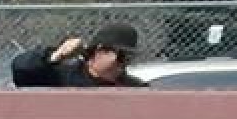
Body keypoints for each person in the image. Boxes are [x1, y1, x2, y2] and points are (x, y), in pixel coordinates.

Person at [12, 24, 141, 88]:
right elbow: (21, 70)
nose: (123, 64)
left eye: (129, 58)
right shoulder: (63, 76)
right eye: (122, 56)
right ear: (100, 51)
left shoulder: (133, 87)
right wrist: (56, 55)